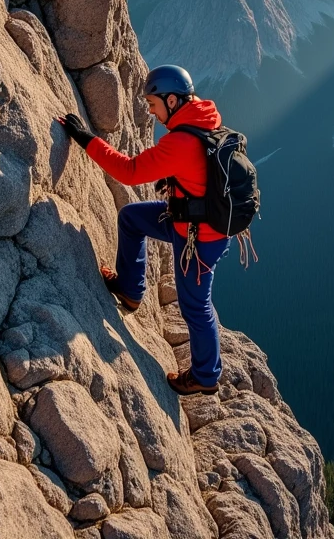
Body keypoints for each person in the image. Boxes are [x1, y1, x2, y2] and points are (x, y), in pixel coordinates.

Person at [58, 65, 229, 396]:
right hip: (191, 220)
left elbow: (129, 172)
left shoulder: (182, 141)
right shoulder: (203, 120)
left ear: (171, 99)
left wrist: (86, 139)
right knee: (132, 217)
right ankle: (130, 289)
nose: (150, 111)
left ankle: (206, 377)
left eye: (153, 103)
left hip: (199, 238)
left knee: (196, 305)